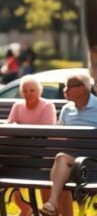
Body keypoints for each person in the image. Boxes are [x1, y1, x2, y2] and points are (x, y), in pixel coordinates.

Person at [38, 72, 97, 216]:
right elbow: (58, 135)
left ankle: (52, 204)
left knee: (60, 159)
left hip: (93, 161)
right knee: (53, 167)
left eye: (69, 86)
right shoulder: (67, 109)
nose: (65, 89)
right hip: (71, 162)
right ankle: (54, 207)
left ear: (82, 89)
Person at [6, 75, 56, 216]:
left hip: (43, 154)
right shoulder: (17, 106)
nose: (28, 94)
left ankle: (46, 211)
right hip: (22, 153)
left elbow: (46, 132)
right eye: (25, 90)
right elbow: (9, 127)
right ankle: (24, 207)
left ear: (39, 91)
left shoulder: (47, 106)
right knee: (7, 166)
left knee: (42, 171)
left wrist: (21, 131)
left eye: (32, 90)